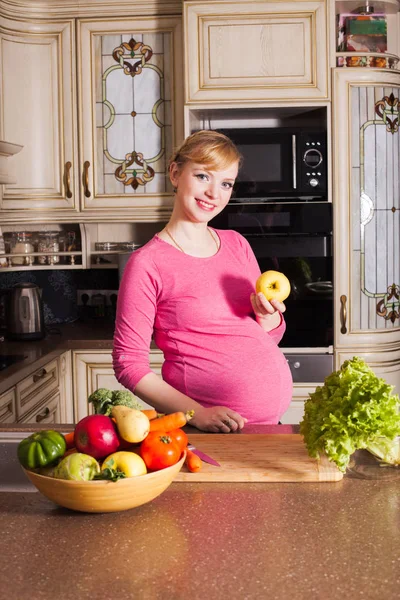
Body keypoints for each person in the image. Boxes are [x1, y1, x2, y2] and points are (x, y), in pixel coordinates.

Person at [113, 130, 293, 432]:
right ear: (175, 173)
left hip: (268, 428)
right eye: (202, 177)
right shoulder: (147, 263)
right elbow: (128, 365)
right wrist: (198, 414)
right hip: (208, 433)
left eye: (226, 183)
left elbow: (265, 337)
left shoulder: (236, 244)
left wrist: (268, 317)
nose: (214, 193)